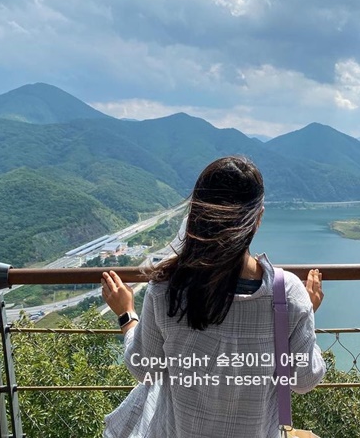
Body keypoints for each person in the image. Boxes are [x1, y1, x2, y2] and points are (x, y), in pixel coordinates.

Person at [101, 156, 326, 437]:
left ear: (196, 214)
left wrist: (127, 315)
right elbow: (305, 380)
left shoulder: (167, 289)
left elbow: (145, 369)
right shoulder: (288, 295)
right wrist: (304, 312)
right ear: (258, 218)